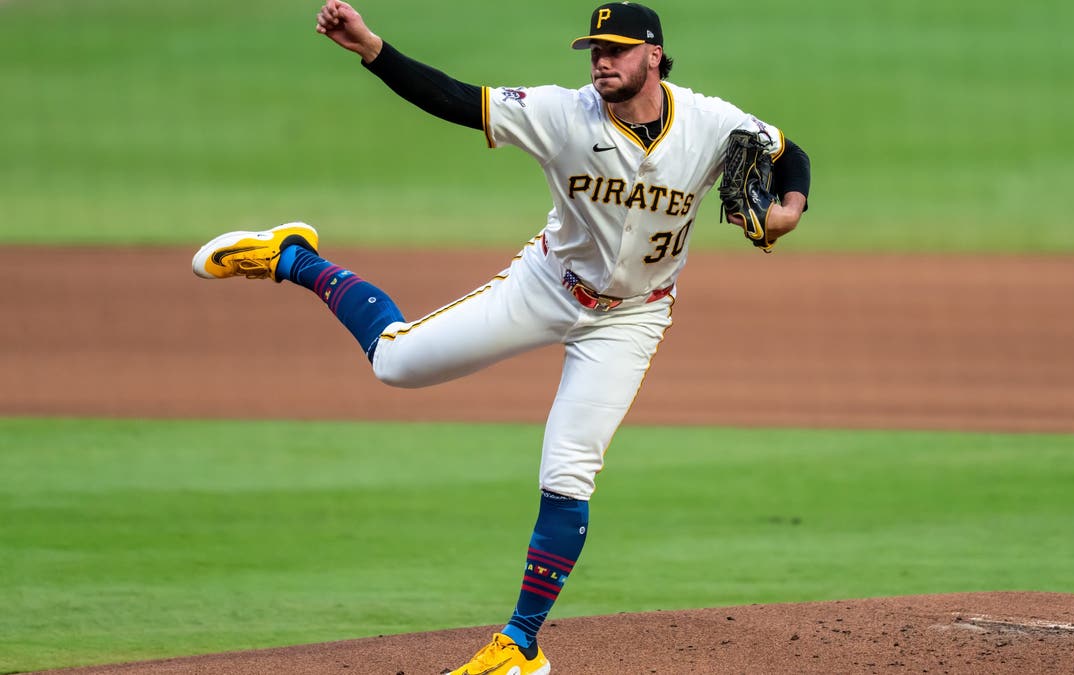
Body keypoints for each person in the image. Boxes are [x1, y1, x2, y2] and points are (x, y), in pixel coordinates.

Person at [191, 2, 811, 672]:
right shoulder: (560, 112)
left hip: (632, 316)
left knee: (570, 471)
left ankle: (519, 644)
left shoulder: (709, 122)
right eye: (595, 49)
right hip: (547, 285)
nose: (601, 60)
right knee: (396, 363)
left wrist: (788, 211)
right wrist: (372, 47)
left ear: (654, 55)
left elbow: (788, 153)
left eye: (618, 49)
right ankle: (296, 257)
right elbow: (456, 100)